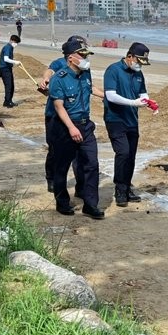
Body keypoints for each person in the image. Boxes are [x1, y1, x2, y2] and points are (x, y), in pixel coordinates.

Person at [48, 37, 104, 219]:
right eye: (82, 55)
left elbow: (90, 89)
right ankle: (62, 202)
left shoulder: (86, 74)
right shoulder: (59, 79)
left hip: (85, 125)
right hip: (65, 127)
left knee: (92, 164)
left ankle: (90, 204)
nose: (86, 58)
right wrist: (72, 128)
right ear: (71, 58)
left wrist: (106, 96)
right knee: (61, 166)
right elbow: (59, 106)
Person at [103, 42, 153, 207]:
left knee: (131, 156)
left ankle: (127, 187)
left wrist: (149, 102)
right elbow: (110, 95)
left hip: (132, 120)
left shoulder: (138, 74)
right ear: (130, 56)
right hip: (115, 119)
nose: (139, 66)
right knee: (123, 153)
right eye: (138, 61)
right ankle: (119, 189)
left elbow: (142, 92)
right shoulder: (113, 70)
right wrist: (133, 103)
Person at [0, 34, 22, 108]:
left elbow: (9, 59)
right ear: (11, 40)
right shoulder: (7, 47)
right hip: (4, 69)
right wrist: (15, 62)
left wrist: (14, 62)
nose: (16, 44)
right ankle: (8, 102)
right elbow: (6, 59)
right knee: (8, 86)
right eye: (16, 42)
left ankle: (8, 101)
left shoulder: (10, 48)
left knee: (11, 86)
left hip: (8, 69)